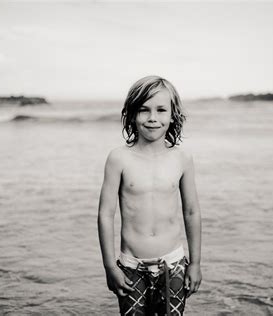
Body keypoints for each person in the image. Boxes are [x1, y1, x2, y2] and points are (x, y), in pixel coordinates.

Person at [98, 75, 202, 315]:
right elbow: (105, 214)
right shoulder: (119, 158)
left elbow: (191, 211)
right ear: (132, 114)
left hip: (173, 265)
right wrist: (109, 266)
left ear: (173, 115)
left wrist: (195, 263)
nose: (153, 118)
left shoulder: (182, 158)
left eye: (161, 110)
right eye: (144, 110)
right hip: (130, 267)